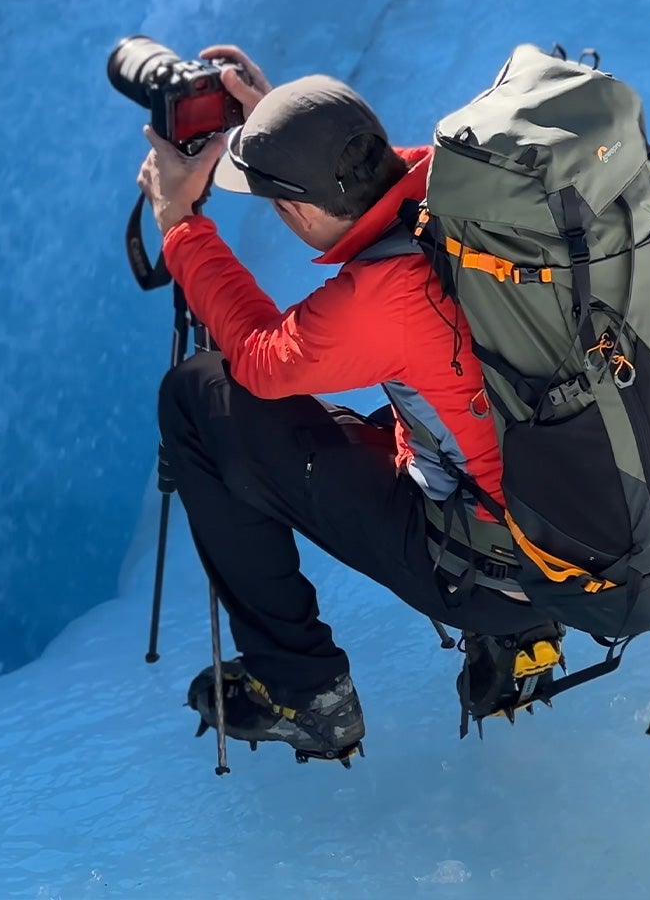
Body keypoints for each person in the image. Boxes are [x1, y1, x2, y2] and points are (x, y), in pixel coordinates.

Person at [137, 45, 556, 762]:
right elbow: (357, 173)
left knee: (196, 396)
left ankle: (303, 691)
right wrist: (279, 128)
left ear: (296, 209)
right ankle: (522, 640)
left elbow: (261, 359)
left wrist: (180, 224)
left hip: (502, 569)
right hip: (590, 529)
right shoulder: (471, 189)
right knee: (454, 410)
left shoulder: (378, 299)